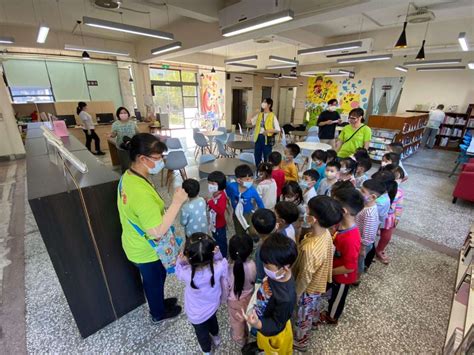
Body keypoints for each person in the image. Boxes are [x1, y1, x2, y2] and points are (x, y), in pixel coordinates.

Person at [117, 133, 186, 323]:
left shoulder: (130, 176)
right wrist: (177, 203)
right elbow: (156, 231)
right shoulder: (140, 193)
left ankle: (159, 303)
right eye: (158, 158)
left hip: (135, 242)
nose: (162, 162)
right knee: (154, 281)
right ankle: (158, 313)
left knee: (157, 277)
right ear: (142, 158)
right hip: (146, 250)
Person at [292, 196, 343, 352]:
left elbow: (304, 277)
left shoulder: (310, 249)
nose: (305, 212)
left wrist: (296, 293)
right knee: (312, 309)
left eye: (307, 210)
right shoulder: (326, 233)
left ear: (312, 218)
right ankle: (313, 322)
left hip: (308, 289)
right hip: (319, 283)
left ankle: (301, 340)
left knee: (302, 315)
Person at [239, 233, 297, 355]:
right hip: (263, 315)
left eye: (267, 265)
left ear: (285, 268)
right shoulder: (278, 275)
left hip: (273, 335)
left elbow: (277, 324)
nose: (264, 267)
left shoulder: (286, 298)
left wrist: (257, 324)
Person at [175, 233, 228, 354]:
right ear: (211, 254)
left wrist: (180, 259)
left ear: (189, 257)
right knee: (213, 322)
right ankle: (216, 338)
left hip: (196, 313)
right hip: (213, 305)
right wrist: (217, 253)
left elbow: (178, 270)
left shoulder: (187, 274)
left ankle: (206, 351)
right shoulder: (218, 267)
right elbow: (221, 261)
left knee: (201, 334)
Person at [321, 187, 364, 325]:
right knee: (331, 292)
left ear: (343, 211)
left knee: (337, 298)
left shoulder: (351, 238)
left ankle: (332, 317)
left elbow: (350, 267)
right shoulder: (340, 224)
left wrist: (330, 272)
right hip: (335, 269)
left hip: (342, 277)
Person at [227, 234, 256, 348]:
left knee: (236, 321)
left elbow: (225, 288)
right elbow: (253, 280)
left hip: (234, 301)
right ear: (249, 251)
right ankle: (248, 331)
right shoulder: (252, 265)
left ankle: (240, 339)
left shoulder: (227, 269)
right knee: (248, 315)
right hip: (249, 297)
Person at [356, 179, 384, 281]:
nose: (360, 191)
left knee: (359, 261)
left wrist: (362, 248)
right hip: (358, 239)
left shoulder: (370, 214)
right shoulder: (365, 205)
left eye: (363, 191)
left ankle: (356, 279)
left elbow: (368, 235)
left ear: (372, 197)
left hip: (362, 244)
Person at [226, 164, 264, 236]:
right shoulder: (232, 186)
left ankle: (254, 241)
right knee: (239, 231)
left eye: (251, 178)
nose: (250, 181)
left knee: (252, 231)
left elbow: (259, 202)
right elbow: (227, 188)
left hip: (249, 213)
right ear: (238, 180)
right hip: (237, 214)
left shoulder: (252, 190)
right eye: (247, 179)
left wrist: (262, 213)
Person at [375, 172, 403, 264]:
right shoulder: (375, 191)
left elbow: (399, 206)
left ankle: (379, 250)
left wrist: (397, 217)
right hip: (374, 216)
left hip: (389, 218)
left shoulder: (398, 192)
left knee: (386, 236)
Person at [247, 98, 281, 165]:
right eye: (263, 101)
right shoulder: (259, 114)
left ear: (269, 105)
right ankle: (257, 170)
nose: (263, 103)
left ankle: (266, 171)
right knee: (257, 156)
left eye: (265, 102)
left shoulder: (272, 116)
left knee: (267, 156)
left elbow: (278, 129)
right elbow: (248, 122)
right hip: (258, 137)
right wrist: (254, 112)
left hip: (266, 138)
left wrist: (268, 130)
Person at [252, 209, 277, 283]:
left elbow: (260, 273)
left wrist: (258, 282)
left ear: (255, 230)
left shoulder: (261, 250)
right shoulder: (278, 238)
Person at [207, 171, 228, 257]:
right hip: (214, 223)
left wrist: (210, 202)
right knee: (216, 238)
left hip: (219, 224)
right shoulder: (215, 193)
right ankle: (218, 250)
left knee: (221, 240)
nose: (210, 185)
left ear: (220, 185)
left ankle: (223, 255)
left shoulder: (222, 196)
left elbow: (221, 211)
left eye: (212, 183)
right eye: (209, 182)